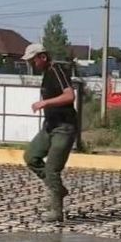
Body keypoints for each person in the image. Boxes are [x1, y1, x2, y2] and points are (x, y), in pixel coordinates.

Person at [22, 43, 77, 222]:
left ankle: (57, 211)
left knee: (53, 169)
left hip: (64, 127)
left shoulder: (57, 70)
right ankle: (57, 190)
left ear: (43, 57)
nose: (31, 64)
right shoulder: (46, 74)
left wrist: (45, 103)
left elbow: (70, 96)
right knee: (31, 156)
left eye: (32, 61)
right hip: (50, 126)